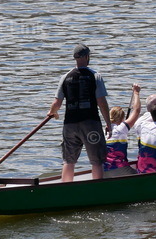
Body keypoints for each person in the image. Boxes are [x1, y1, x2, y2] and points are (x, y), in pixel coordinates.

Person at [47, 44, 111, 182]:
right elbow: (102, 103)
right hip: (90, 123)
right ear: (87, 57)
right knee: (96, 160)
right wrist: (108, 123)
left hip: (70, 125)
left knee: (68, 160)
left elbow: (56, 104)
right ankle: (97, 188)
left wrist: (53, 113)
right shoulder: (95, 76)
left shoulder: (65, 77)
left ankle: (65, 190)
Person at [104, 83, 141, 171]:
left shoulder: (103, 131)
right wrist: (136, 93)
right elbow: (136, 110)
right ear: (122, 119)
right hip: (119, 168)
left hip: (104, 169)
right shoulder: (121, 129)